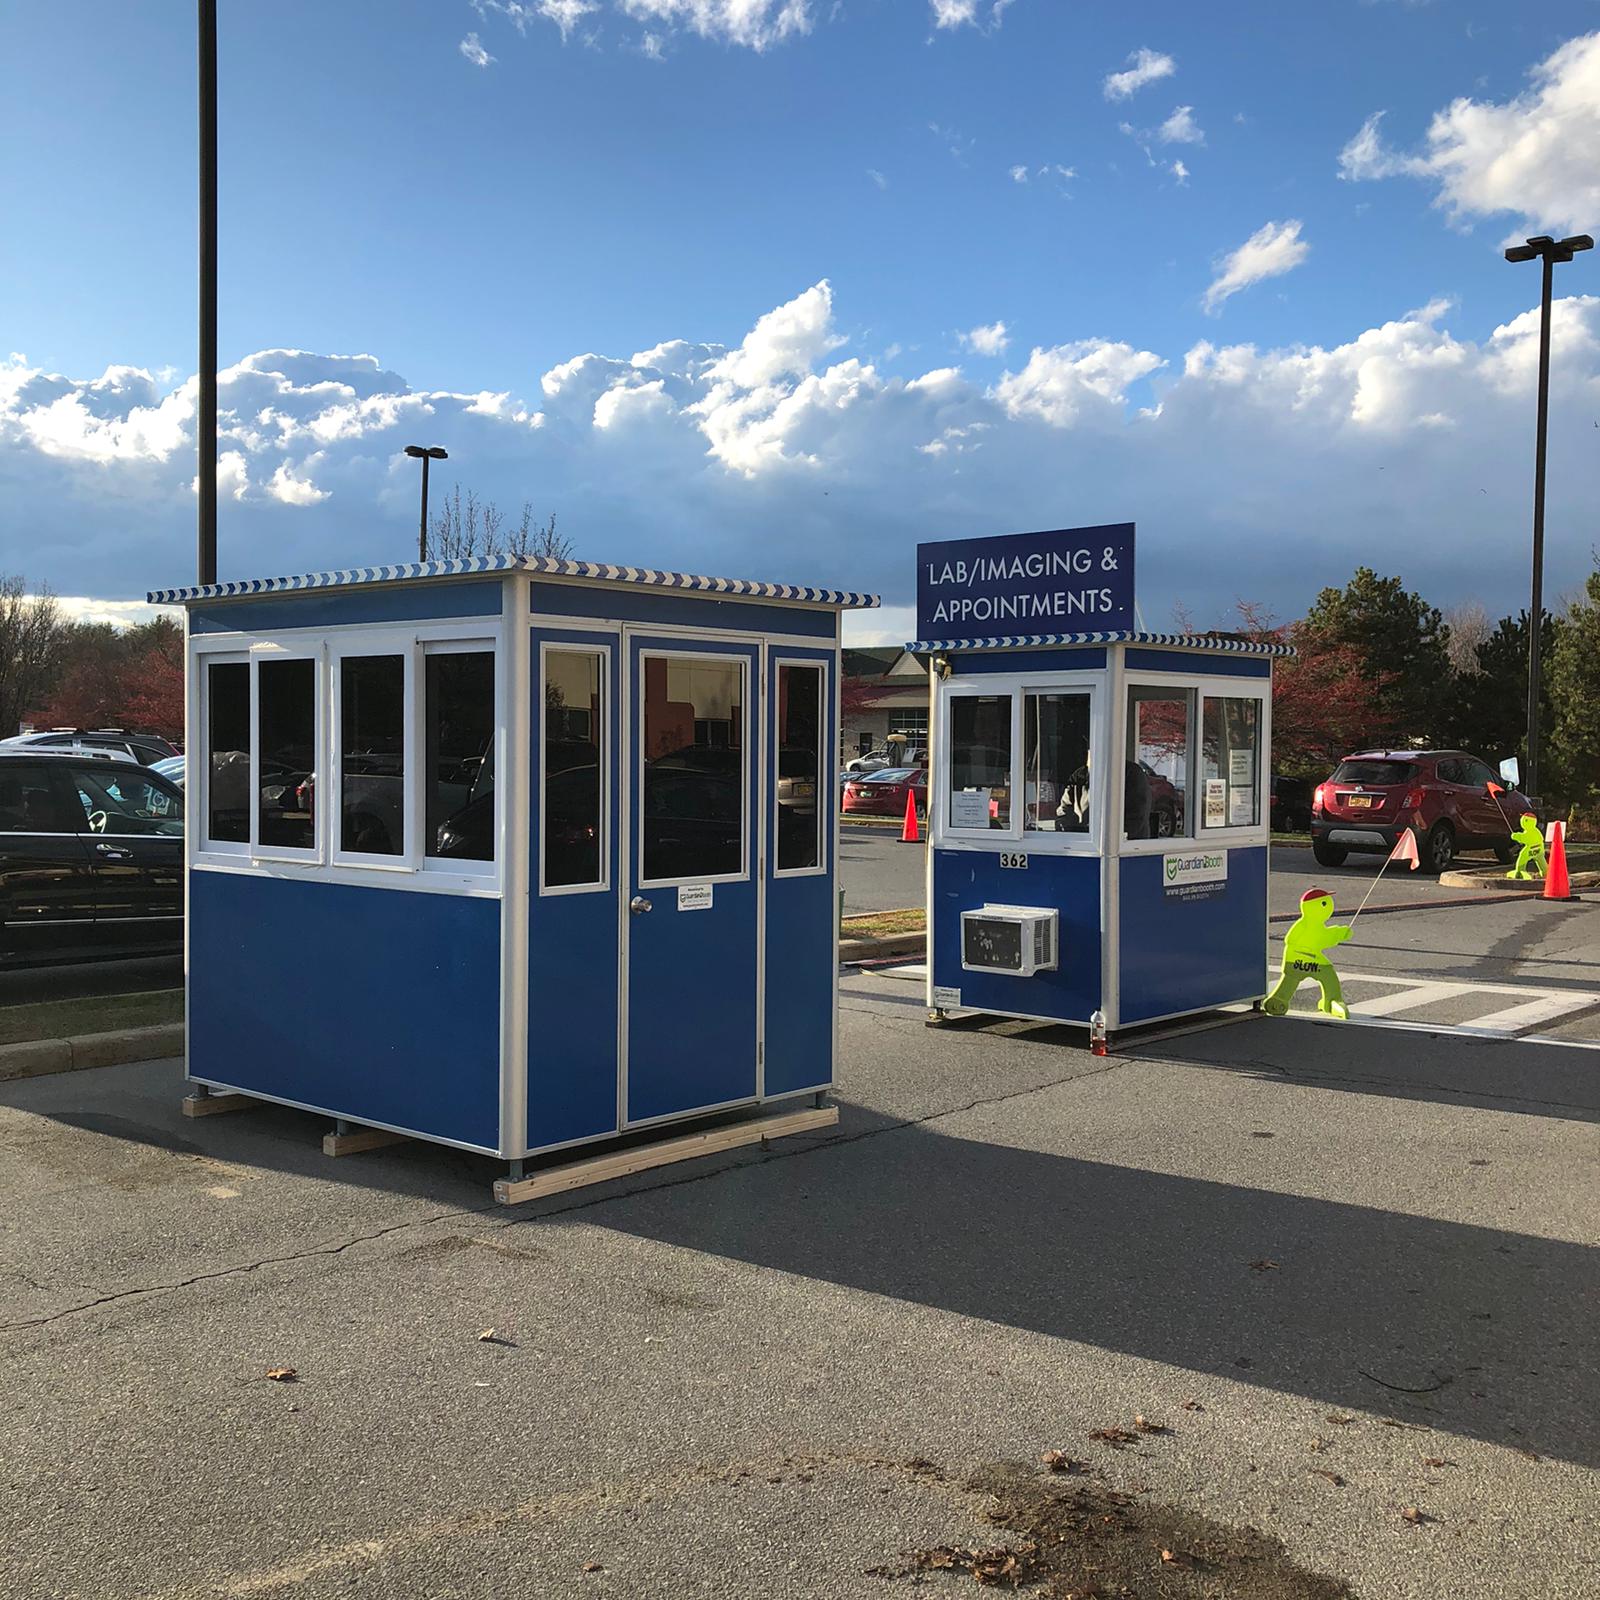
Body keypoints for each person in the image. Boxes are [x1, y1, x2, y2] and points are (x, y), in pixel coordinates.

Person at [1263, 887, 1350, 1020]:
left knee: (1300, 979)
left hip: (1297, 959)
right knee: (1327, 976)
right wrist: (1338, 934)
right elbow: (1321, 938)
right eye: (1324, 903)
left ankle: (1329, 1001)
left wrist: (1339, 934)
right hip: (1304, 959)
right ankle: (1331, 1000)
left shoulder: (1307, 925)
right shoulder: (1306, 925)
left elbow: (1320, 938)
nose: (1329, 906)